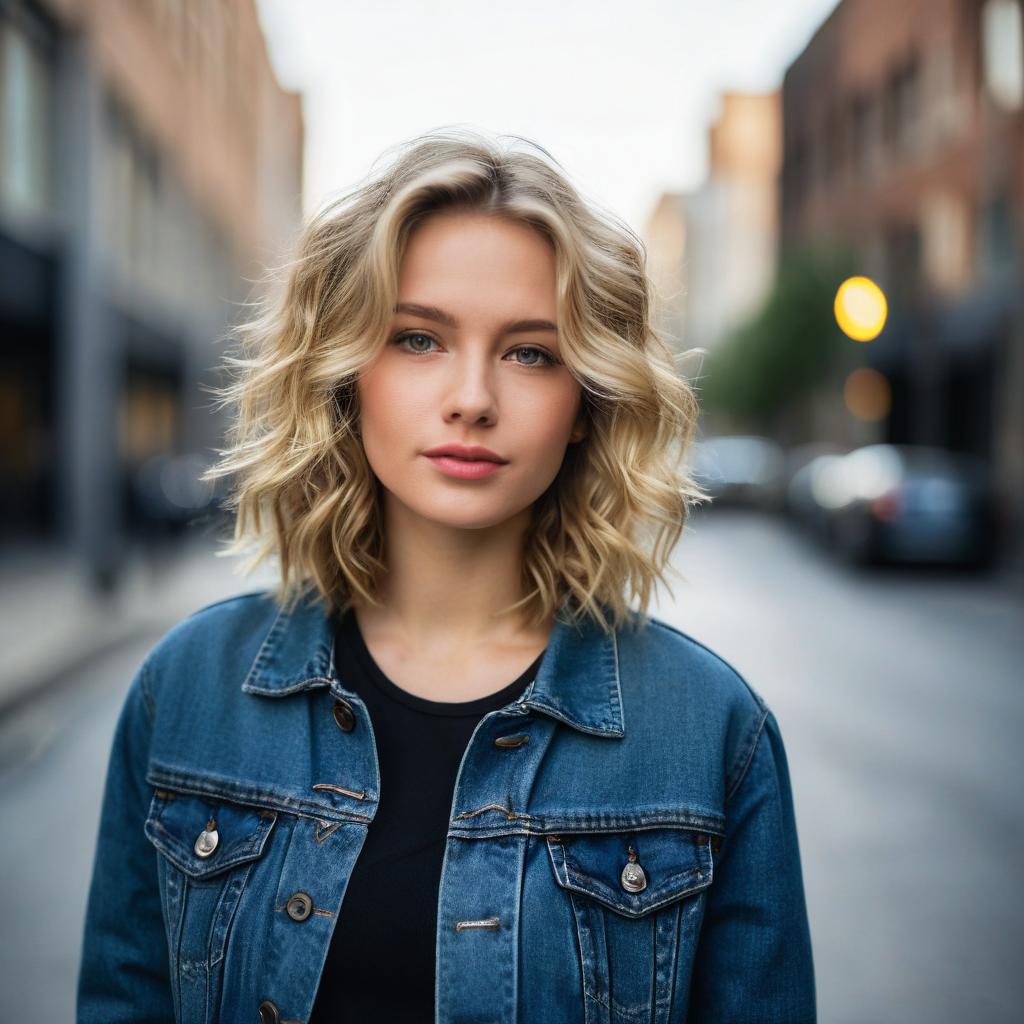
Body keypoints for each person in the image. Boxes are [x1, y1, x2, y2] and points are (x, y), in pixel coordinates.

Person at [76, 127, 817, 1024]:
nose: (472, 399)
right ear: (345, 373)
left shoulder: (711, 731)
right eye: (419, 339)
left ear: (587, 403)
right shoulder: (188, 690)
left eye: (530, 352)